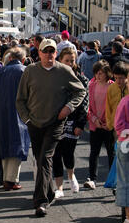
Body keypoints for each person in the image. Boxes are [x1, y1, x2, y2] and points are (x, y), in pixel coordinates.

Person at [16, 39, 86, 217]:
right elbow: (20, 99)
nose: (48, 54)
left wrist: (68, 108)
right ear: (38, 53)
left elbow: (80, 91)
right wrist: (27, 119)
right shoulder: (30, 71)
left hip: (55, 123)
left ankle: (40, 201)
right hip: (35, 123)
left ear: (56, 53)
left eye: (52, 51)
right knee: (41, 159)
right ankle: (49, 192)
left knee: (45, 158)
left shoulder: (64, 71)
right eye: (45, 51)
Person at [0, 47, 30, 191]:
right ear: (22, 59)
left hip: (1, 113)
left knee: (4, 145)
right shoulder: (25, 71)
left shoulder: (0, 72)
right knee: (18, 146)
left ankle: (6, 178)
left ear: (10, 58)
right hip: (20, 114)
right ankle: (11, 180)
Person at [53, 47, 89, 199]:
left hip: (73, 120)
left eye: (72, 60)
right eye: (66, 60)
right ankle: (59, 187)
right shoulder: (53, 76)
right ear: (60, 60)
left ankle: (71, 174)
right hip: (55, 119)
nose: (69, 63)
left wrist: (80, 124)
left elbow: (85, 103)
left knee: (68, 152)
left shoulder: (81, 79)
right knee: (55, 154)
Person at [84, 60, 115, 190]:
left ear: (107, 73)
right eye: (96, 73)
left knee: (111, 152)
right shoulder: (91, 85)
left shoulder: (112, 86)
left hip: (109, 124)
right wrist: (94, 119)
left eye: (101, 73)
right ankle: (92, 178)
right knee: (94, 152)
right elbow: (88, 106)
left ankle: (113, 179)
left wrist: (109, 122)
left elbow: (115, 106)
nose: (98, 75)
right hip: (95, 124)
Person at [114, 90, 129, 223]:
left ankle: (128, 220)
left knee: (125, 181)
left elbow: (118, 125)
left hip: (125, 143)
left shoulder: (125, 101)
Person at [105, 62, 129, 136]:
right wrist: (109, 124)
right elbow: (108, 107)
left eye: (121, 78)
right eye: (116, 78)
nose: (118, 81)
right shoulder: (111, 88)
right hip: (116, 126)